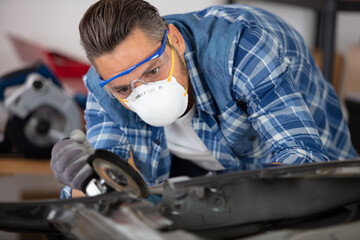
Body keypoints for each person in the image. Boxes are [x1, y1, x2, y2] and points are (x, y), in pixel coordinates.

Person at [51, 0, 358, 199]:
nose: (142, 92)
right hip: (189, 161)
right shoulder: (102, 86)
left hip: (284, 152)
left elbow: (303, 160)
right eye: (123, 89)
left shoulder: (241, 48)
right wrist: (84, 179)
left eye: (153, 71)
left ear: (175, 40)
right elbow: (107, 188)